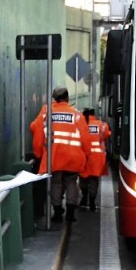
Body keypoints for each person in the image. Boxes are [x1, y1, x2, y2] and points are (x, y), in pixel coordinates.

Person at [31, 87, 91, 223]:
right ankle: (70, 214)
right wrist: (87, 154)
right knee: (71, 183)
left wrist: (38, 153)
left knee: (56, 184)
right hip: (73, 158)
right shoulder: (76, 115)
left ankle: (57, 213)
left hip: (54, 158)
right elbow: (85, 138)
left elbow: (35, 128)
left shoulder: (46, 112)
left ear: (54, 99)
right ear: (67, 99)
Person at [79, 108, 111, 212]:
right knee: (93, 180)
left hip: (84, 155)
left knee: (83, 178)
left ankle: (84, 198)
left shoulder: (81, 124)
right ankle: (92, 203)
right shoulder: (101, 125)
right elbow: (107, 134)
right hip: (97, 157)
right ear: (94, 114)